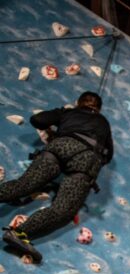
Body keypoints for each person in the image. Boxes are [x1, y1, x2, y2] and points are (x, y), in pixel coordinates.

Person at [0, 91, 113, 262]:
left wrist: (62, 117)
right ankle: (19, 233)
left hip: (60, 146)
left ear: (78, 103)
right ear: (99, 108)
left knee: (23, 185)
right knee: (62, 210)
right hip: (86, 158)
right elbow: (108, 154)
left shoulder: (69, 112)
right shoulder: (103, 122)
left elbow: (37, 120)